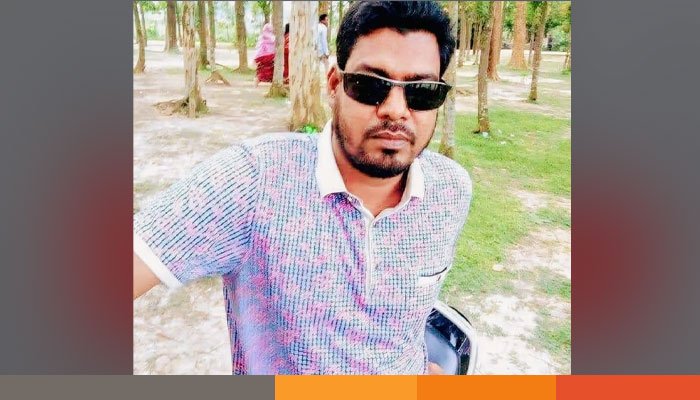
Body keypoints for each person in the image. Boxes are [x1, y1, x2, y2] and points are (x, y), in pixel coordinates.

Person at [134, 1, 468, 375]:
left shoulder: (451, 190)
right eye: (371, 86)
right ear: (334, 85)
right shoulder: (254, 181)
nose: (396, 109)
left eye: (421, 91)